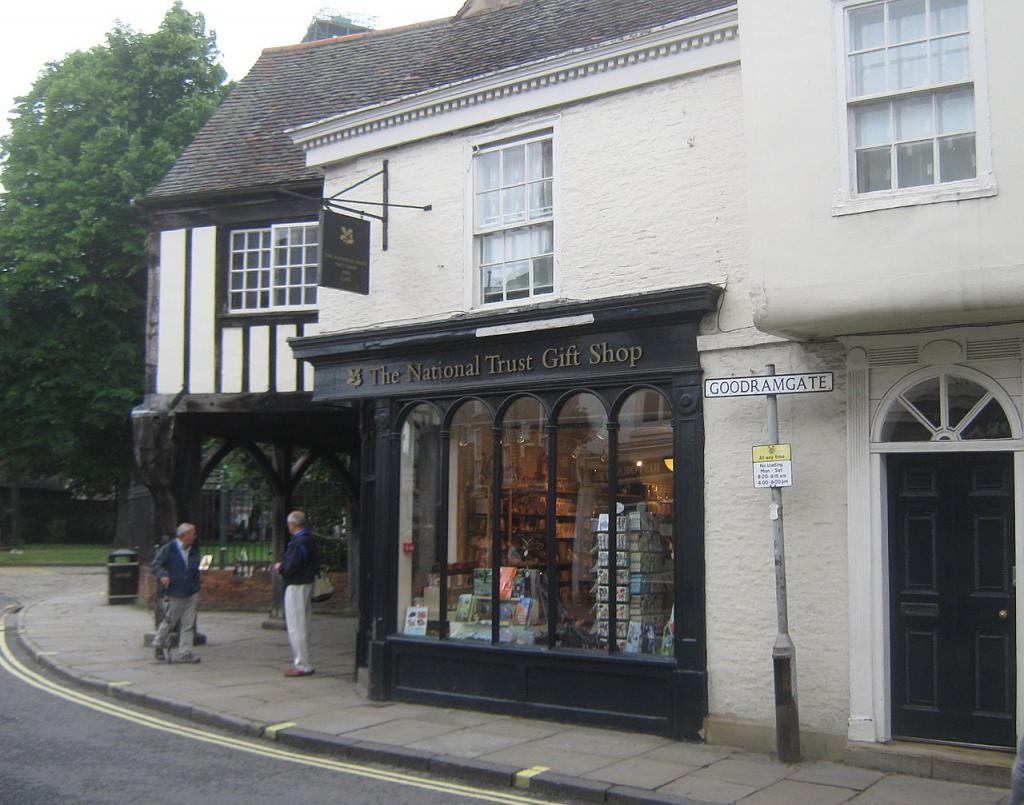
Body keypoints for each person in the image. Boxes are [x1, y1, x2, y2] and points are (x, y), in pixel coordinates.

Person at [274, 511, 318, 677]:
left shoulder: (297, 542)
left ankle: (302, 664)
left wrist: (281, 567)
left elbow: (291, 566)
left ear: (292, 524)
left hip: (296, 586)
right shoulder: (310, 540)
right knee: (304, 625)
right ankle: (305, 661)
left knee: (296, 626)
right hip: (307, 583)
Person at [150, 523, 202, 664]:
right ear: (184, 536)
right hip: (175, 590)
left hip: (191, 590)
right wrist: (163, 575)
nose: (195, 536)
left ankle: (185, 652)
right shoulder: (169, 549)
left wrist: (202, 568)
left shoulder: (193, 549)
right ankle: (158, 643)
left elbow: (197, 565)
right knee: (170, 621)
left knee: (188, 623)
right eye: (193, 533)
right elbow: (156, 565)